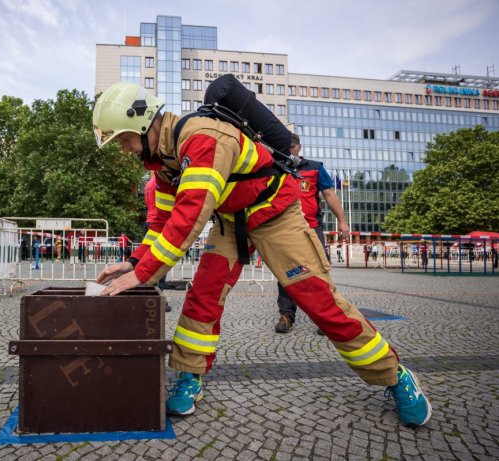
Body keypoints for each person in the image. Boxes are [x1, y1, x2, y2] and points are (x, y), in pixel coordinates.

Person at [92, 81, 431, 428]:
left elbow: (189, 217)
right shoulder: (164, 162)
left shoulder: (203, 137)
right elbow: (163, 221)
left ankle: (394, 374)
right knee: (203, 296)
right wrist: (133, 263)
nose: (123, 150)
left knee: (318, 302)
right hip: (230, 222)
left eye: (123, 140)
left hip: (275, 215)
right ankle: (190, 376)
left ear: (143, 124)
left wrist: (143, 274)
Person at [274, 133, 350, 334]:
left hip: (311, 228)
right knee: (286, 272)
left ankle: (325, 317)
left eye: (291, 147)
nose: (288, 151)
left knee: (319, 272)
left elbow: (329, 194)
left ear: (299, 147)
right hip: (284, 229)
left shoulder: (315, 168)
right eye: (284, 147)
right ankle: (286, 315)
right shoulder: (276, 166)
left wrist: (342, 222)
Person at [145, 174, 172, 312]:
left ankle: (150, 293)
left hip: (149, 221)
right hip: (159, 223)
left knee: (150, 259)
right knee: (161, 261)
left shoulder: (148, 184)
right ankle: (158, 296)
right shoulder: (160, 182)